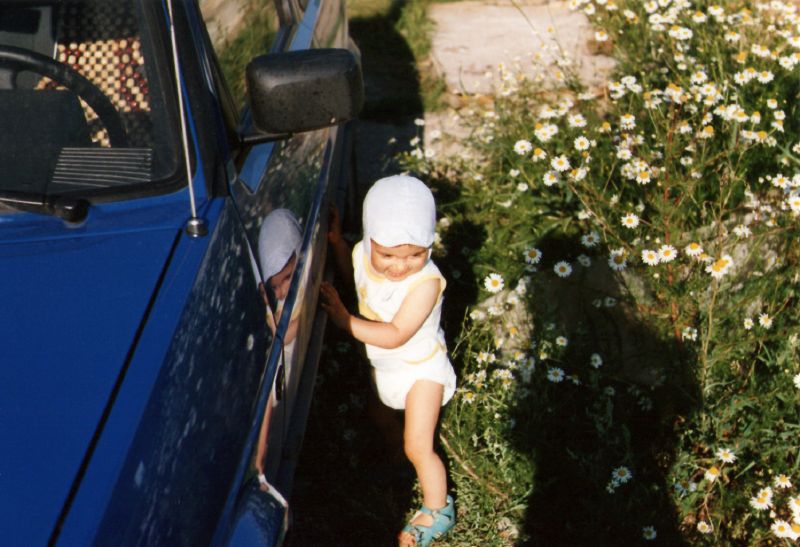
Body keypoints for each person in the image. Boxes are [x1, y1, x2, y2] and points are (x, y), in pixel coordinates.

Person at [320, 175, 457, 546]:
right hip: (387, 365)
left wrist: (345, 321)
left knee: (419, 443)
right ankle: (399, 464)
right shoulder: (365, 254)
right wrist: (335, 244)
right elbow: (358, 280)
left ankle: (437, 508)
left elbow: (397, 333)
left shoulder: (425, 284)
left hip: (421, 368)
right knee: (380, 415)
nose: (400, 266)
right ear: (371, 240)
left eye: (415, 254)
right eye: (388, 255)